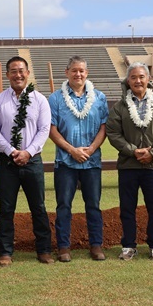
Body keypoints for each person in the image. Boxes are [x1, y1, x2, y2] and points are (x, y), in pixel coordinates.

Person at [0, 56, 54, 266]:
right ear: (8, 75)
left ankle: (44, 250)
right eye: (14, 71)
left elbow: (44, 129)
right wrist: (12, 151)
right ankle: (5, 252)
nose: (18, 75)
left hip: (32, 161)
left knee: (39, 207)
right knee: (6, 209)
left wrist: (28, 152)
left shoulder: (40, 100)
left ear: (27, 73)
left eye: (21, 70)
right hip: (7, 163)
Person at [106, 63, 153, 261]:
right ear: (128, 81)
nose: (138, 81)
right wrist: (132, 151)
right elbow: (113, 132)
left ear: (148, 79)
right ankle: (128, 245)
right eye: (134, 77)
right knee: (127, 207)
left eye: (142, 77)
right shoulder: (120, 106)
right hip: (129, 165)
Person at [48, 55, 109, 261]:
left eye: (82, 70)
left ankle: (96, 245)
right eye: (74, 70)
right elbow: (52, 129)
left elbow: (104, 127)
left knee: (93, 205)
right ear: (67, 72)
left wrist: (91, 149)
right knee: (64, 205)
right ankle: (63, 247)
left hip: (91, 162)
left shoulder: (99, 97)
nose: (78, 74)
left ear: (87, 73)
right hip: (66, 161)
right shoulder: (55, 99)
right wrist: (72, 150)